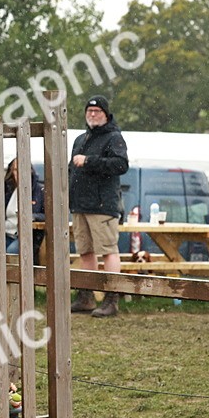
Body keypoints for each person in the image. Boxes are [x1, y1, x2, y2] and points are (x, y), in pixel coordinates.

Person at [69, 94, 129, 318]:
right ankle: (86, 297)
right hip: (80, 205)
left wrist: (90, 161)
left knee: (108, 252)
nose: (92, 115)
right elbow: (71, 169)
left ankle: (111, 299)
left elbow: (121, 164)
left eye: (97, 112)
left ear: (105, 114)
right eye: (89, 111)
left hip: (103, 205)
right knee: (85, 252)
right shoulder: (81, 139)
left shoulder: (114, 138)